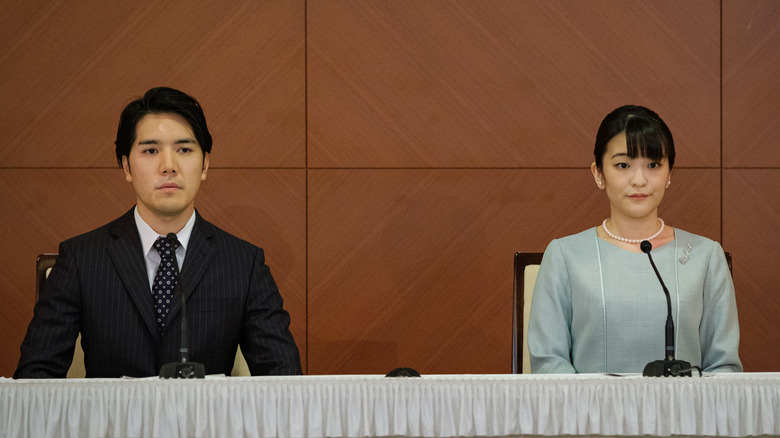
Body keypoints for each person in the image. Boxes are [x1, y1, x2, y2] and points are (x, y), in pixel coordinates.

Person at [15, 87, 302, 378]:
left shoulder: (243, 263)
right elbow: (35, 379)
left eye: (184, 150)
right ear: (126, 165)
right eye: (151, 151)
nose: (168, 166)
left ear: (204, 164)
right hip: (113, 424)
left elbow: (284, 379)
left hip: (204, 424)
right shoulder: (81, 259)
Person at [527, 105, 742, 374]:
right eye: (623, 165)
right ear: (598, 173)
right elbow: (549, 364)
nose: (639, 180)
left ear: (670, 174)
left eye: (653, 164)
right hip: (591, 416)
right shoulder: (564, 256)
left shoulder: (706, 256)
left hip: (684, 416)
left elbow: (723, 367)